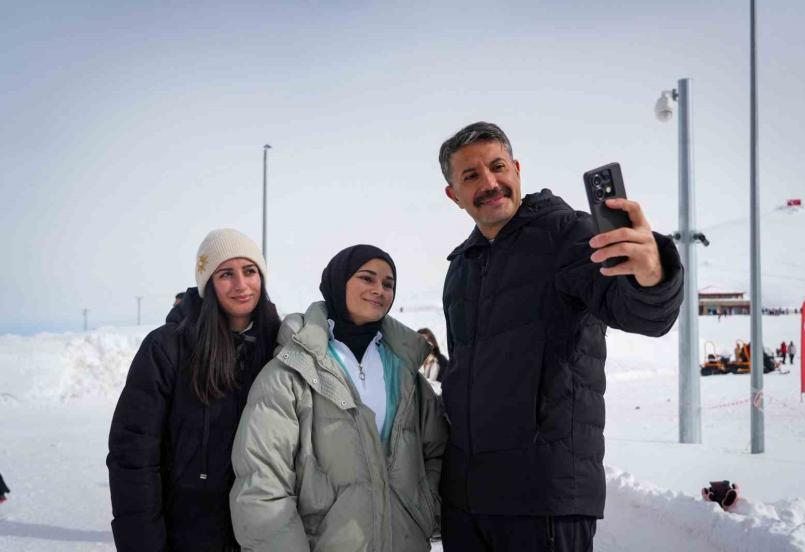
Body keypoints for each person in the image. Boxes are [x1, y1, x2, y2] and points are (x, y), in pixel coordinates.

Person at [437, 122, 684, 551]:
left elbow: (642, 315)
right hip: (468, 504)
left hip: (544, 500)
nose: (489, 182)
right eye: (471, 175)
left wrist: (652, 275)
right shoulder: (461, 266)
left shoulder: (568, 234)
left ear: (517, 170)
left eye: (497, 167)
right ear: (453, 194)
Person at [231, 244, 448, 552]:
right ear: (338, 282)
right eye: (367, 278)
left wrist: (425, 507)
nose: (379, 290)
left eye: (388, 284)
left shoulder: (407, 371)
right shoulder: (290, 373)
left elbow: (437, 452)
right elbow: (262, 485)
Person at [107, 228, 280, 552]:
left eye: (250, 271)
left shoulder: (281, 348)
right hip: (188, 537)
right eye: (226, 274)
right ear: (207, 282)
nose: (241, 285)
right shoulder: (167, 348)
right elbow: (133, 456)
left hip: (266, 536)